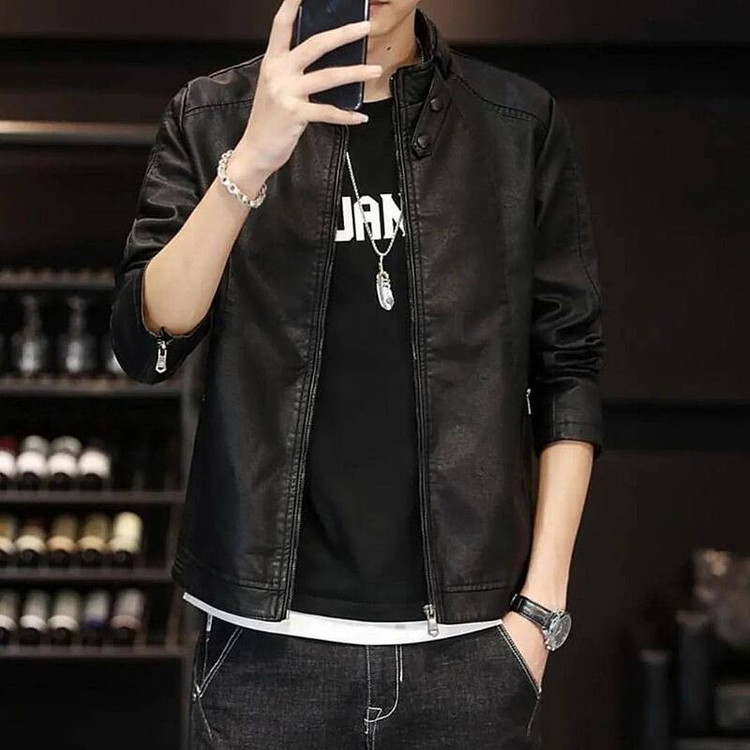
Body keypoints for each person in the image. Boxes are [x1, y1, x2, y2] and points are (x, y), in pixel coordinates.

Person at [110, 0, 606, 747]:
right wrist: (250, 162)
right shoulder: (212, 115)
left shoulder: (515, 124)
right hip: (266, 654)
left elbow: (568, 365)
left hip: (471, 651)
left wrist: (540, 611)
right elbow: (149, 339)